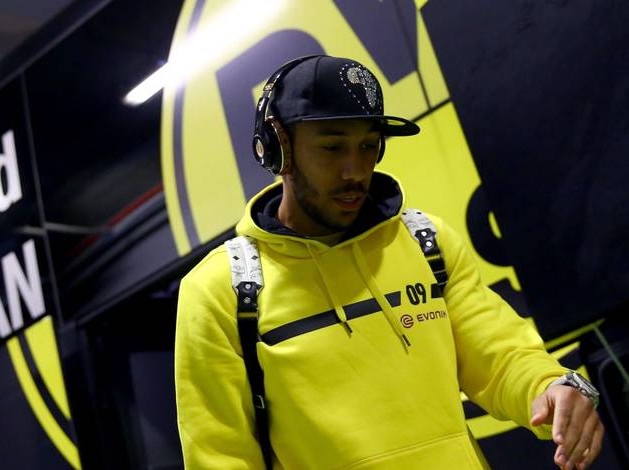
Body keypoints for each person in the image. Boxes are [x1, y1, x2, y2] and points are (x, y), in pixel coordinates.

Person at [174, 55, 604, 470]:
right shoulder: (220, 292)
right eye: (332, 147)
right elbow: (220, 455)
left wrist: (550, 388)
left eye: (368, 146)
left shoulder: (426, 243)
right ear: (278, 149)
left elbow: (500, 357)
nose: (354, 171)